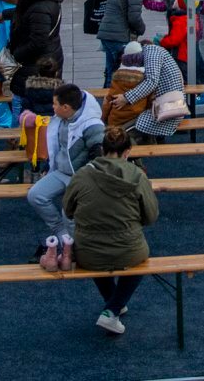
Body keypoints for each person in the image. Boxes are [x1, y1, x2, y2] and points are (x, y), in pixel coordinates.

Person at [63, 127, 161, 336]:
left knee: (96, 254)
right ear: (128, 152)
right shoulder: (138, 176)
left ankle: (113, 302)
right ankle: (113, 308)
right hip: (129, 248)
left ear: (102, 150)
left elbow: (68, 210)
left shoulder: (82, 175)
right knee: (138, 260)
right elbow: (151, 216)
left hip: (88, 252)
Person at [28, 82, 106, 248]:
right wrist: (48, 166)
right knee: (35, 195)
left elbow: (99, 158)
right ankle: (61, 232)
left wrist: (87, 182)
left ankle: (75, 246)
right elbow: (56, 146)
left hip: (80, 176)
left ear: (65, 107)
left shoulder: (92, 126)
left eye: (55, 104)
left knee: (68, 212)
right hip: (61, 171)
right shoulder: (61, 118)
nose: (52, 107)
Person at [118, 37, 187, 143]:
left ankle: (132, 154)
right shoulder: (155, 51)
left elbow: (151, 81)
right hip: (172, 104)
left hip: (169, 108)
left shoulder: (152, 53)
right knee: (133, 122)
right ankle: (148, 145)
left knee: (128, 128)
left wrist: (126, 98)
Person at [97, 0, 153, 85]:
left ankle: (107, 99)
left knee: (111, 71)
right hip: (118, 36)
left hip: (107, 33)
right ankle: (114, 102)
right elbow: (134, 17)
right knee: (119, 75)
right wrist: (141, 28)